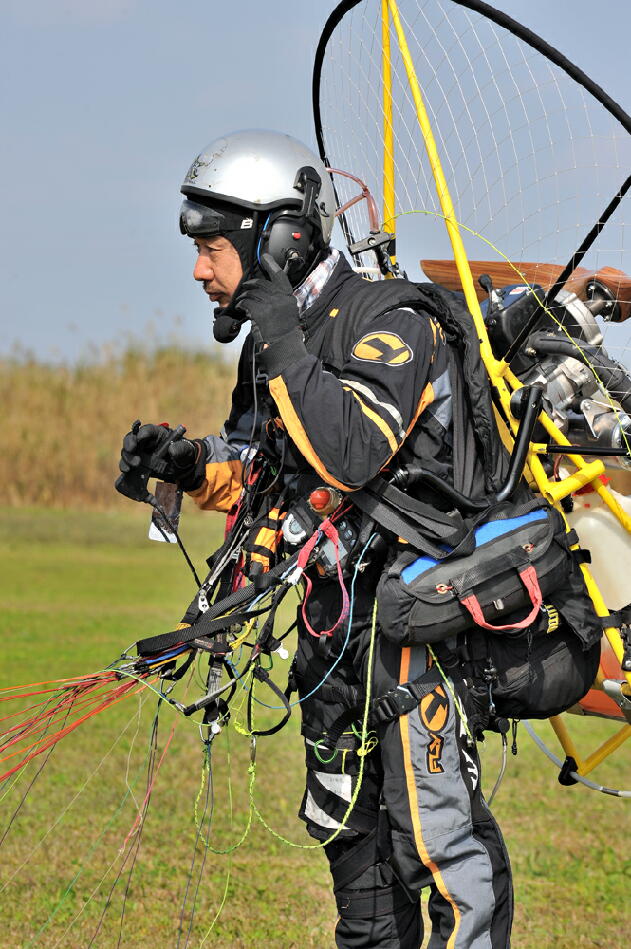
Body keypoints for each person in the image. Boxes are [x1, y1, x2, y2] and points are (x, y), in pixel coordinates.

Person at [120, 129, 513, 948]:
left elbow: (351, 448)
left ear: (280, 241)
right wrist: (190, 465)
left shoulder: (391, 321)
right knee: (356, 871)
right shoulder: (278, 341)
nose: (200, 269)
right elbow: (269, 472)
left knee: (438, 853)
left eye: (215, 247)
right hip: (334, 639)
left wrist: (280, 338)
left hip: (414, 642)